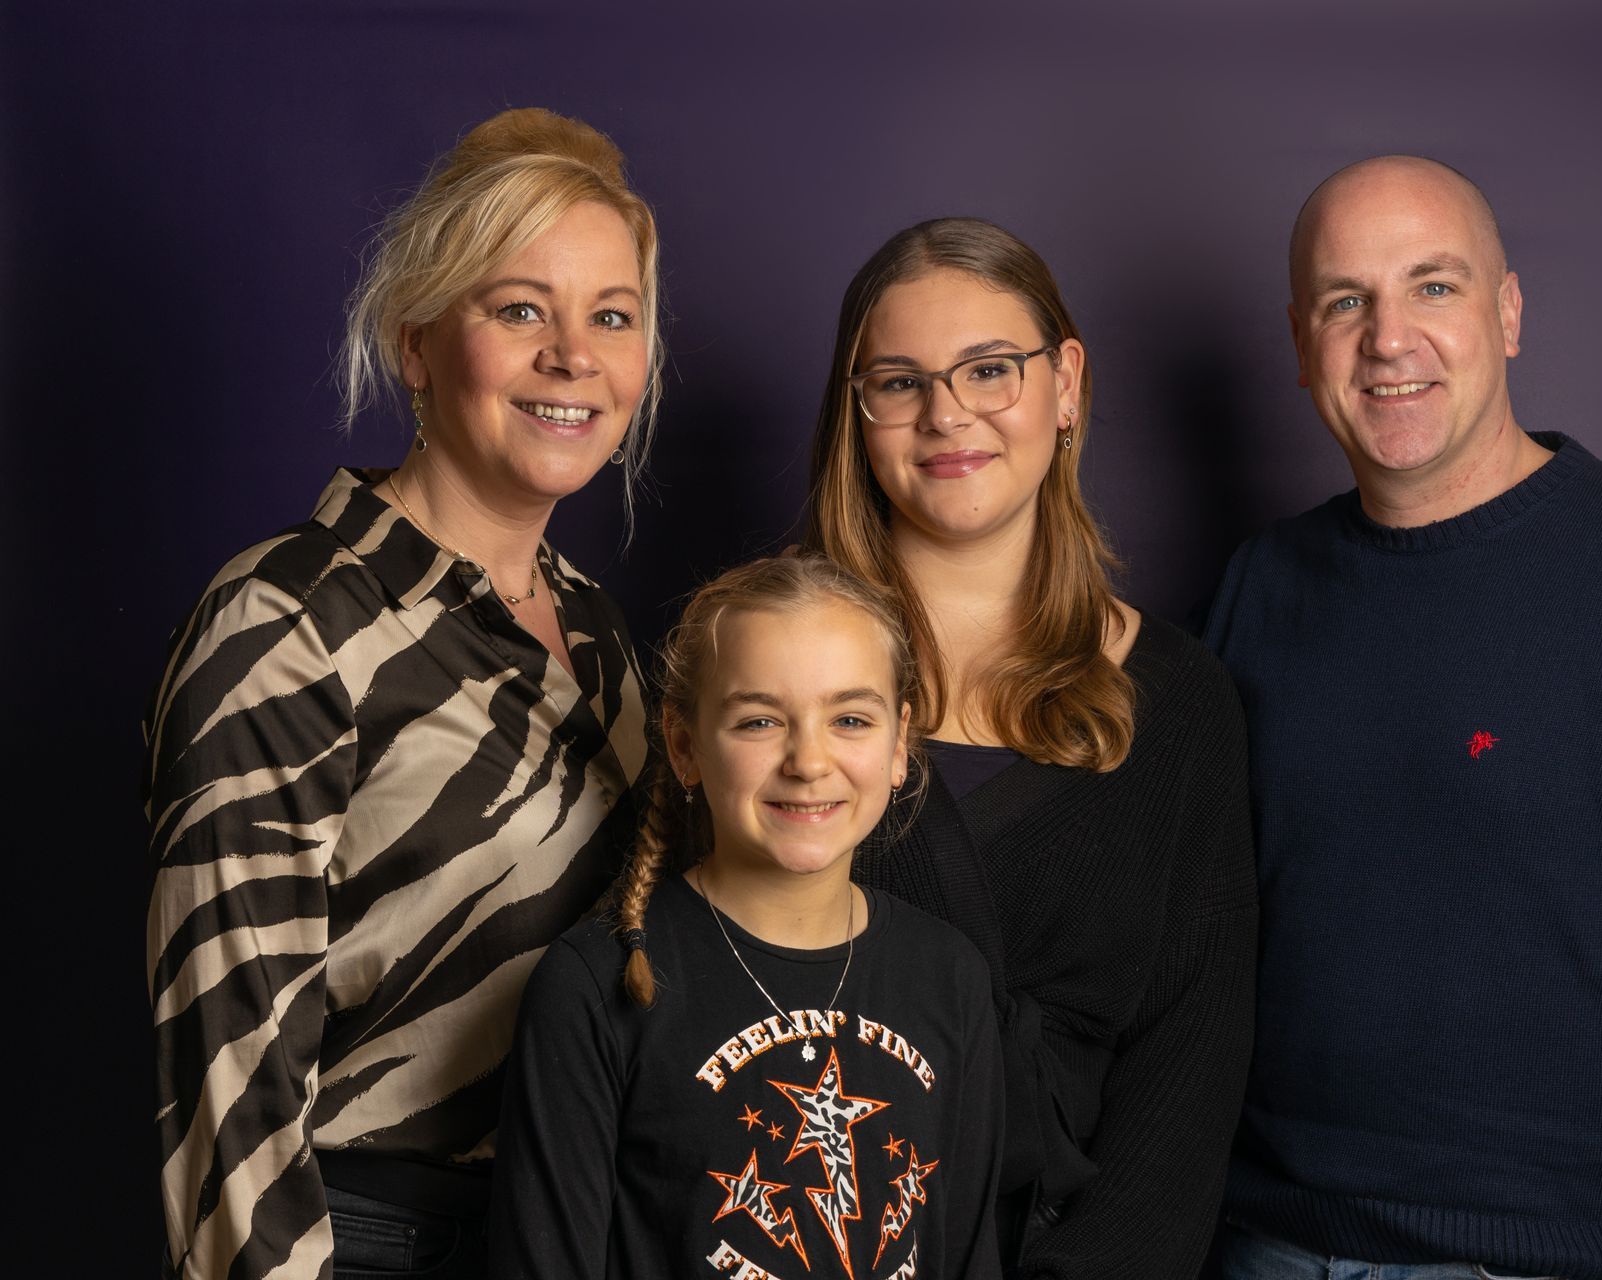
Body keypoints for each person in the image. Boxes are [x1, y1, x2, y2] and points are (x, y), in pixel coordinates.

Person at [1204, 155, 1602, 1280]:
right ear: (1302, 345)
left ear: (1508, 315)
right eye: (1346, 301)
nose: (1389, 337)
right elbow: (1193, 941)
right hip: (1268, 1247)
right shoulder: (1259, 587)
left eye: (1433, 286)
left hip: (1542, 1262)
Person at [143, 107, 661, 1280]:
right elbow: (227, 1088)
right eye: (519, 307)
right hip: (370, 1242)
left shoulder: (602, 633)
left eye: (612, 316)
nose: (573, 354)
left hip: (575, 1237)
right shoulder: (286, 624)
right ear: (415, 340)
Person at [807, 217, 1258, 1279]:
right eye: (899, 381)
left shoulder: (1182, 704)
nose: (946, 413)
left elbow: (1189, 1076)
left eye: (989, 369)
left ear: (1065, 386)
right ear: (856, 413)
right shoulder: (759, 676)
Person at [488, 552, 1004, 1279]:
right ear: (684, 745)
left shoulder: (950, 979)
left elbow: (967, 1254)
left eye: (851, 718)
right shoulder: (595, 987)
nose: (808, 760)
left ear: (901, 745)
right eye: (760, 720)